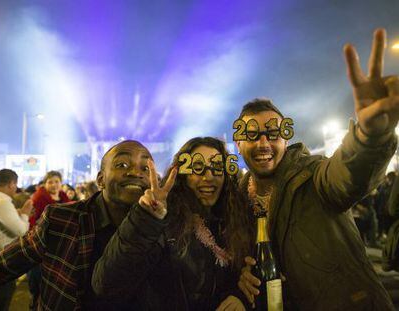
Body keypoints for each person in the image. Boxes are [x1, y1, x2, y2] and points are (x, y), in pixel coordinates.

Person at [237, 28, 398, 310]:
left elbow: (348, 175)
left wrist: (369, 138)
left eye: (273, 133)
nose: (263, 143)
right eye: (252, 135)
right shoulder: (235, 198)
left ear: (285, 139)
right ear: (238, 143)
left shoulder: (313, 175)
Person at [0, 140, 153, 310]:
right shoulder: (61, 219)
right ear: (101, 179)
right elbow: (1, 266)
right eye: (122, 164)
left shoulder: (164, 228)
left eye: (145, 168)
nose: (135, 173)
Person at [91, 137, 252, 310]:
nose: (208, 177)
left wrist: (240, 295)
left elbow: (247, 273)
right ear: (180, 175)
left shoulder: (235, 219)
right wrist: (146, 219)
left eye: (217, 168)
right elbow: (107, 285)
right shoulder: (164, 220)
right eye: (197, 168)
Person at [0, 169, 33, 311]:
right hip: (0, 263)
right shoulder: (1, 203)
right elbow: (21, 231)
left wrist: (16, 214)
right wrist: (25, 214)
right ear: (12, 184)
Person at [27, 170, 71, 309]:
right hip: (43, 245)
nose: (54, 185)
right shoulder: (38, 198)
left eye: (57, 181)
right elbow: (32, 222)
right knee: (39, 281)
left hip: (61, 246)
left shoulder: (65, 198)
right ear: (45, 183)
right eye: (50, 182)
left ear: (61, 183)